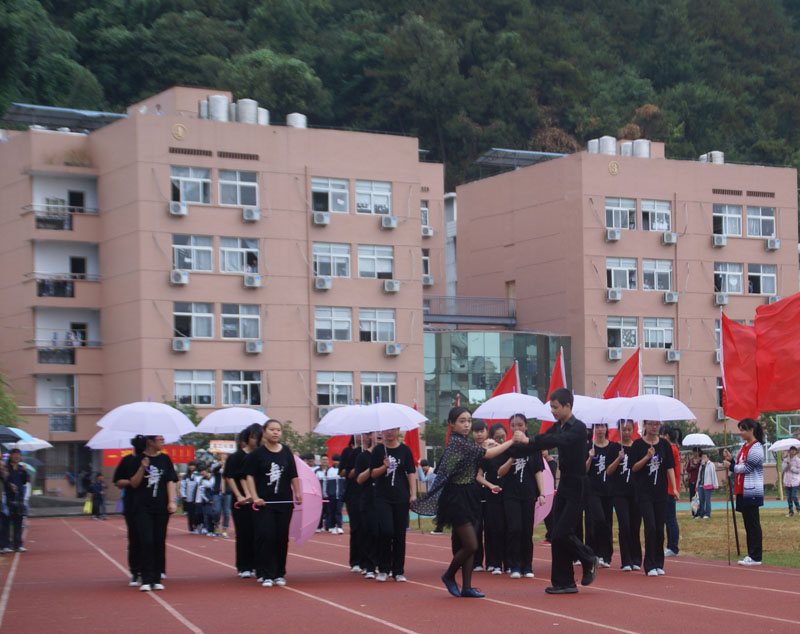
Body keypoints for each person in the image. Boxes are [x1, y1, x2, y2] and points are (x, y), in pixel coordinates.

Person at [413, 407, 514, 598]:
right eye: (462, 421)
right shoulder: (457, 443)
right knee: (471, 545)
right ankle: (449, 575)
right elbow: (487, 455)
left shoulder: (465, 443)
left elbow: (481, 454)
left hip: (471, 495)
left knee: (467, 545)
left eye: (469, 420)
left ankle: (467, 586)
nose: (467, 424)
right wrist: (511, 441)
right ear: (451, 424)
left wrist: (489, 445)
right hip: (456, 498)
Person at [509, 389, 598, 595]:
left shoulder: (578, 428)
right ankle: (563, 582)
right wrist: (509, 448)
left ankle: (588, 557)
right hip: (564, 484)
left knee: (561, 532)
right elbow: (541, 441)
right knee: (556, 535)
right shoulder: (558, 426)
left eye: (556, 407)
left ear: (568, 406)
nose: (553, 411)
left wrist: (529, 441)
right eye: (551, 407)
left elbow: (556, 441)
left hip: (578, 485)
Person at [244, 419, 302, 587]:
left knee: (281, 538)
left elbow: (293, 475)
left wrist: (297, 492)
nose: (275, 432)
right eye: (272, 429)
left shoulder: (286, 452)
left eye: (278, 430)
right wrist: (255, 497)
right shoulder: (257, 454)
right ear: (265, 432)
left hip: (284, 503)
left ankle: (279, 573)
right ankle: (266, 573)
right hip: (265, 504)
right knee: (266, 536)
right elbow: (249, 476)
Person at [129, 435, 178, 591]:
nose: (163, 442)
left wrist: (172, 501)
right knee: (146, 540)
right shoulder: (137, 459)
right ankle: (146, 578)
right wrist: (142, 468)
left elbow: (170, 480)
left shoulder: (165, 459)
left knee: (159, 540)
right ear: (150, 441)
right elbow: (134, 483)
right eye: (160, 439)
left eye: (164, 439)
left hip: (161, 506)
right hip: (142, 507)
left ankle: (157, 577)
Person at [630, 420, 678, 577]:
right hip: (644, 493)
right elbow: (634, 468)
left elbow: (670, 466)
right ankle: (649, 564)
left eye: (657, 424)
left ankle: (658, 562)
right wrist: (646, 457)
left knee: (659, 528)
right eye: (651, 424)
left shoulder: (664, 445)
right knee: (650, 527)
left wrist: (675, 488)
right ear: (645, 425)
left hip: (661, 492)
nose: (654, 427)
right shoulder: (637, 445)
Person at [502, 414, 545, 579]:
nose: (517, 428)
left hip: (528, 494)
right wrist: (512, 457)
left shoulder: (533, 448)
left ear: (526, 427)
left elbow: (538, 471)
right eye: (513, 425)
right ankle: (514, 565)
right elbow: (500, 472)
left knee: (527, 531)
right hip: (510, 495)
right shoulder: (506, 447)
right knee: (514, 529)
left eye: (520, 425)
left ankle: (527, 565)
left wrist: (541, 493)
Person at [371, 427, 416, 582]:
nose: (389, 432)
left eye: (392, 429)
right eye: (386, 430)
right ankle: (383, 568)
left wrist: (413, 493)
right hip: (383, 497)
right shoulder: (378, 450)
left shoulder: (405, 450)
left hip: (401, 496)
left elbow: (411, 472)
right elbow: (372, 474)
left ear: (397, 430)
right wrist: (384, 466)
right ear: (382, 432)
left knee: (399, 534)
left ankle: (398, 571)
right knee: (386, 531)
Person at [723, 418, 764, 566]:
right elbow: (740, 465)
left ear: (751, 430)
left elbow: (747, 468)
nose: (741, 433)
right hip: (742, 489)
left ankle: (756, 555)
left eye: (743, 430)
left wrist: (731, 467)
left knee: (753, 522)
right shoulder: (745, 446)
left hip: (752, 489)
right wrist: (732, 460)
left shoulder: (757, 447)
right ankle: (751, 553)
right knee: (748, 522)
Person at [224, 423, 262, 578]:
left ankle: (258, 564)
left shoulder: (261, 455)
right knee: (244, 533)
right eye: (255, 437)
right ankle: (244, 565)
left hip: (258, 501)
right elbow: (230, 476)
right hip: (242, 502)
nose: (257, 440)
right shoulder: (236, 457)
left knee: (260, 534)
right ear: (249, 437)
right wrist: (240, 496)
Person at [476, 422, 509, 575]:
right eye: (497, 438)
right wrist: (490, 485)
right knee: (495, 529)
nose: (501, 440)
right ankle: (495, 563)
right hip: (493, 496)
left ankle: (508, 563)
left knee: (509, 529)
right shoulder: (488, 455)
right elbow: (478, 476)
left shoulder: (510, 452)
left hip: (509, 495)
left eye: (503, 437)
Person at [586, 422, 620, 568]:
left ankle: (606, 555)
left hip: (608, 490)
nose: (600, 429)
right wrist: (589, 457)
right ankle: (593, 552)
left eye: (602, 426)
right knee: (597, 520)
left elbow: (613, 469)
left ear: (606, 428)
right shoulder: (589, 447)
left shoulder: (612, 447)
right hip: (593, 490)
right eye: (597, 426)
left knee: (607, 522)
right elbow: (584, 470)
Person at [114, 436, 147, 586]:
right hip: (132, 505)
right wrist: (131, 482)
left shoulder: (155, 460)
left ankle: (152, 570)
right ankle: (135, 571)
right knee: (134, 539)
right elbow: (118, 482)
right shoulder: (127, 461)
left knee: (150, 539)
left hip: (151, 505)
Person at [612, 420, 641, 571]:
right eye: (624, 430)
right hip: (619, 493)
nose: (627, 433)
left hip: (635, 492)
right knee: (624, 525)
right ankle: (626, 560)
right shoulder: (615, 447)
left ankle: (636, 558)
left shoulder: (637, 447)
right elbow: (609, 471)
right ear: (619, 430)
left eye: (629, 429)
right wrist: (618, 458)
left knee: (635, 526)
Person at [355, 432, 378, 578]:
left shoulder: (388, 456)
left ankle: (382, 563)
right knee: (369, 532)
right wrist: (372, 467)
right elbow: (359, 479)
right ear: (370, 437)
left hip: (385, 499)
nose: (381, 434)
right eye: (377, 433)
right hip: (368, 498)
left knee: (384, 532)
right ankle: (368, 565)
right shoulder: (362, 456)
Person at [659, 425, 682, 557]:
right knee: (668, 518)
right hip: (668, 488)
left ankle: (672, 546)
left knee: (670, 518)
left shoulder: (671, 449)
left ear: (666, 436)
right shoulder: (672, 448)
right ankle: (671, 545)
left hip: (669, 488)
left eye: (662, 435)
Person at [341, 436, 363, 571]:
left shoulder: (376, 451)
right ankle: (355, 561)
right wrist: (357, 467)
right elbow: (344, 472)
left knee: (370, 528)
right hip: (353, 494)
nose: (366, 436)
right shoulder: (350, 452)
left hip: (370, 494)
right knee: (356, 527)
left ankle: (369, 560)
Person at [5, 449, 28, 553]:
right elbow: (4, 480)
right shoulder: (6, 468)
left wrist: (24, 472)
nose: (17, 457)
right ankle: (6, 544)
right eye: (14, 455)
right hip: (8, 498)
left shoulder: (20, 468)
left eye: (18, 455)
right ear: (10, 456)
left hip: (19, 498)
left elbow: (24, 481)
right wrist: (9, 484)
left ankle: (17, 544)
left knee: (18, 521)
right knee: (6, 522)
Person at [325, 454, 344, 534]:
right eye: (334, 460)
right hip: (331, 494)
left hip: (340, 494)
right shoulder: (329, 470)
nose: (336, 462)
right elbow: (327, 483)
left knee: (338, 510)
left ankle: (339, 526)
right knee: (331, 510)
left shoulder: (342, 470)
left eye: (337, 460)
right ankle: (332, 526)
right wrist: (328, 492)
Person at [696, 451, 719, 519]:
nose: (703, 458)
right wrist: (697, 485)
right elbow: (699, 476)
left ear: (708, 458)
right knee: (701, 500)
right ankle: (701, 513)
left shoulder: (711, 465)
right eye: (702, 457)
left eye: (705, 457)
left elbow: (713, 475)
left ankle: (707, 513)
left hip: (708, 484)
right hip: (701, 484)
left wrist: (715, 484)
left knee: (707, 499)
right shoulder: (701, 465)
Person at [180, 461, 199, 533]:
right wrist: (184, 496)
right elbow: (182, 486)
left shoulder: (198, 475)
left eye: (193, 465)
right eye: (190, 466)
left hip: (197, 498)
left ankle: (197, 526)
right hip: (188, 498)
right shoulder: (185, 476)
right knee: (190, 514)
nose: (191, 467)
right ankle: (191, 528)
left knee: (197, 513)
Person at [782, 446, 800, 517]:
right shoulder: (786, 460)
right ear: (789, 451)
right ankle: (790, 512)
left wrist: (791, 467)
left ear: (796, 451)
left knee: (793, 496)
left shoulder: (798, 460)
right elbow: (783, 469)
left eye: (794, 450)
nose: (792, 451)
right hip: (787, 481)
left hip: (795, 481)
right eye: (791, 450)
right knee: (789, 498)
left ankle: (798, 509)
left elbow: (798, 471)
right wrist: (787, 464)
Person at [685, 450, 700, 518]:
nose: (694, 454)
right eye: (693, 452)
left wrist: (697, 464)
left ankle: (699, 512)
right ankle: (693, 513)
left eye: (695, 452)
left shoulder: (700, 461)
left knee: (698, 498)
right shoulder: (690, 460)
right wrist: (693, 467)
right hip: (692, 481)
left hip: (698, 481)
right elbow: (687, 469)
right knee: (692, 497)